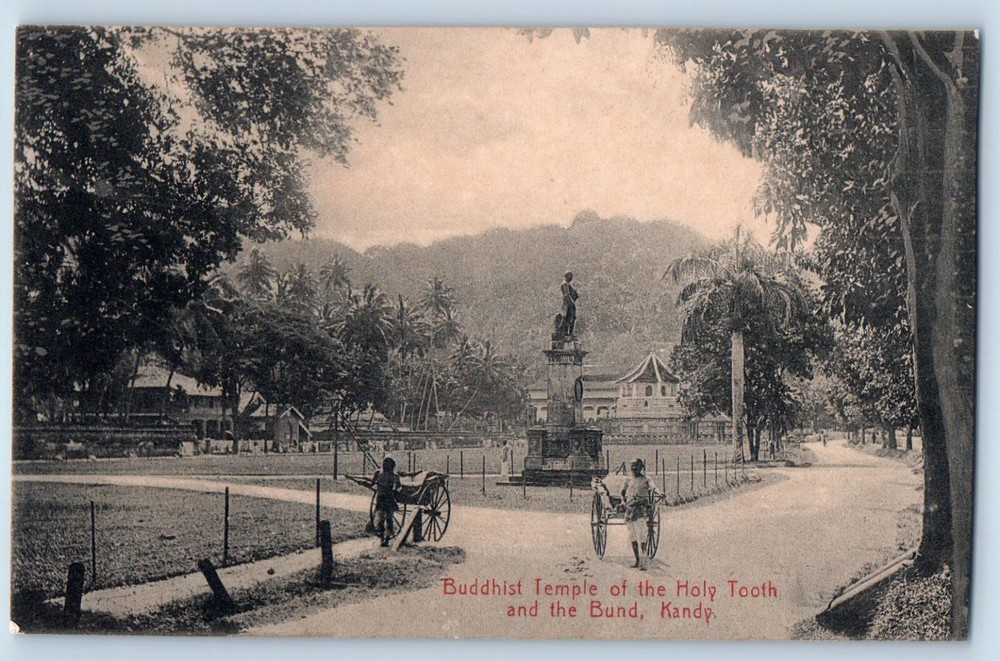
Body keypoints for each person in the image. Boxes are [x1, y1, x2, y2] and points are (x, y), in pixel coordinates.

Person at [620, 458, 657, 569]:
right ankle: (637, 560)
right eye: (633, 467)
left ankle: (644, 560)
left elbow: (654, 487)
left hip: (641, 508)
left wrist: (660, 493)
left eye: (637, 467)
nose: (634, 469)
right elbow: (622, 492)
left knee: (641, 533)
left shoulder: (646, 479)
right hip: (630, 508)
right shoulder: (628, 480)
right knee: (632, 535)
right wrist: (623, 501)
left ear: (641, 468)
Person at [373, 456, 402, 547]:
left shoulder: (395, 476)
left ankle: (387, 539)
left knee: (389, 518)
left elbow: (398, 486)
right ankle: (382, 538)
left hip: (389, 499)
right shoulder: (378, 473)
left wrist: (394, 490)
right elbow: (371, 483)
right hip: (381, 499)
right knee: (380, 519)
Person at [560, 271, 579, 337]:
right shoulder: (564, 284)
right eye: (570, 275)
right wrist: (571, 303)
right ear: (567, 276)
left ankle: (569, 332)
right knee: (569, 317)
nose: (572, 277)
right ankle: (567, 332)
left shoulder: (568, 284)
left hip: (569, 303)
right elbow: (566, 295)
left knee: (572, 317)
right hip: (568, 304)